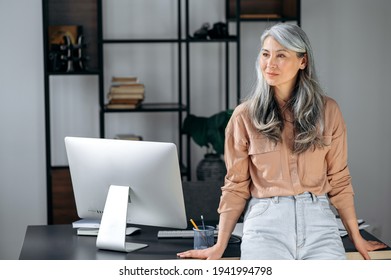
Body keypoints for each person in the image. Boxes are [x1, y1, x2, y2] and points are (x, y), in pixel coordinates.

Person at [177, 23, 386, 260]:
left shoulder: (328, 111)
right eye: (265, 54)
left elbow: (339, 179)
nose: (270, 63)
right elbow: (235, 185)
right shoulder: (244, 116)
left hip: (320, 223)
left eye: (281, 55)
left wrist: (356, 236)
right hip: (265, 225)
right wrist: (219, 244)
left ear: (302, 61)